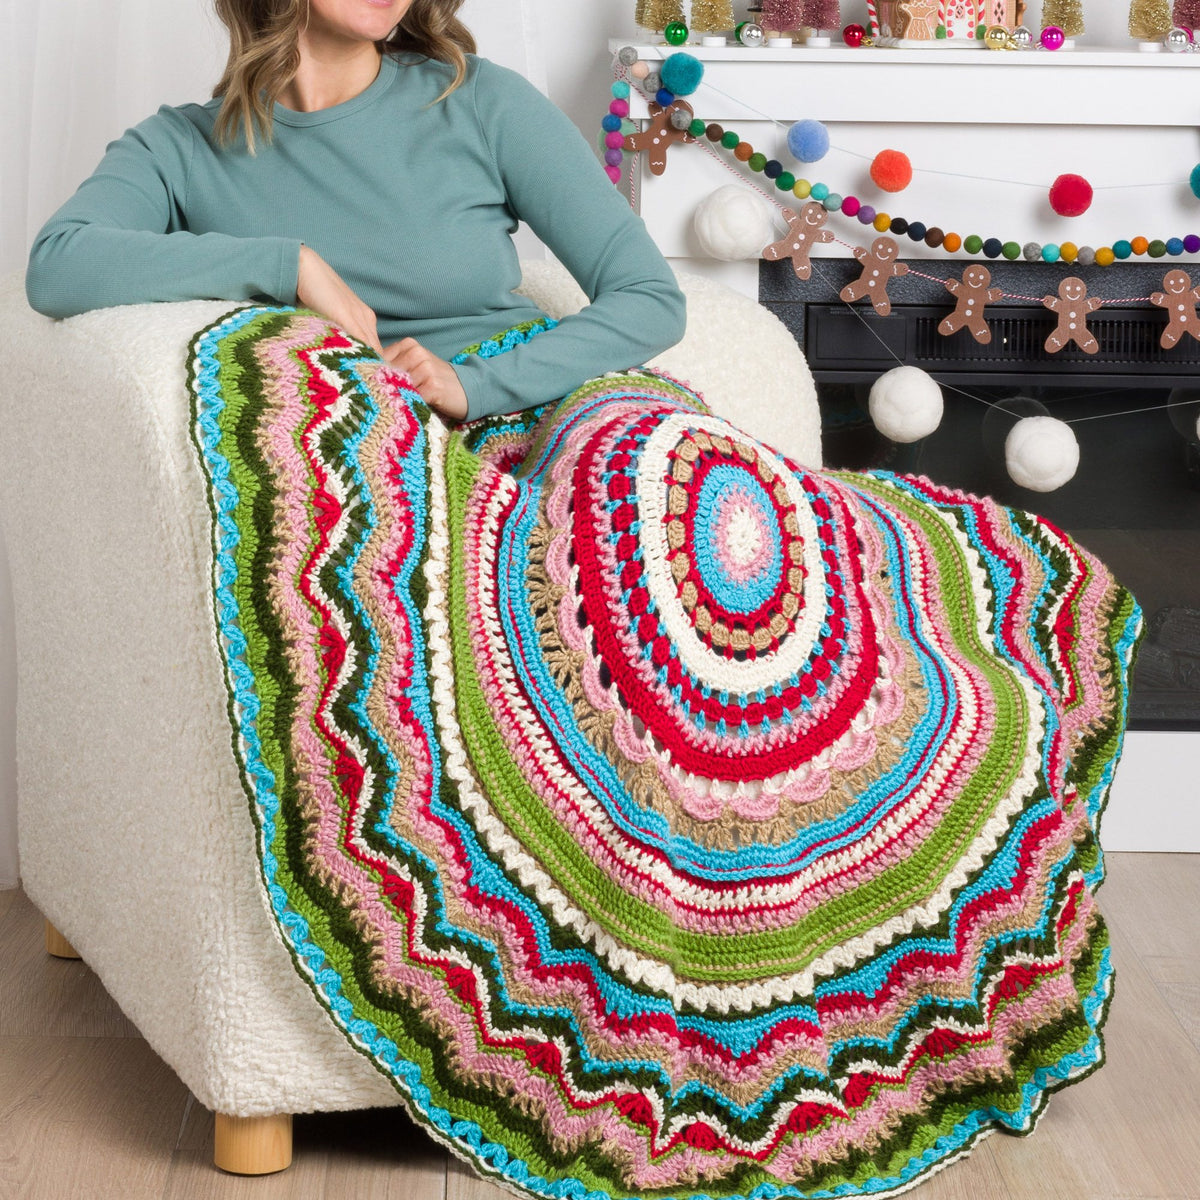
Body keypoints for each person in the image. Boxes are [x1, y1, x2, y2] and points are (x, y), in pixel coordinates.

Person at [25, 0, 686, 423]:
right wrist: (287, 266)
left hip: (544, 412)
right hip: (359, 447)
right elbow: (59, 265)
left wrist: (474, 385)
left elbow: (650, 297)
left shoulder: (480, 100)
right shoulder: (181, 146)